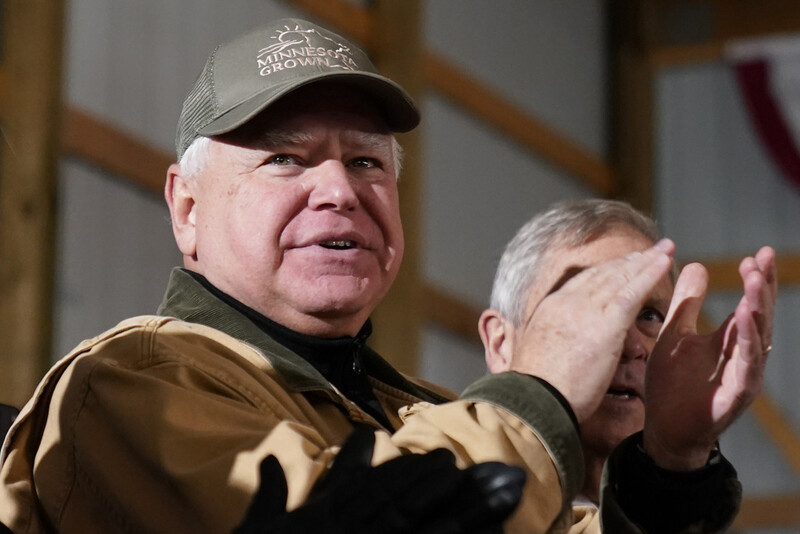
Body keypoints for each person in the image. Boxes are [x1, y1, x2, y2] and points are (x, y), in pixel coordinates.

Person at [0, 18, 774, 534]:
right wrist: (537, 392)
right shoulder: (124, 388)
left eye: (367, 161)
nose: (340, 189)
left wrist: (672, 462)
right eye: (284, 157)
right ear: (187, 208)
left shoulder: (422, 418)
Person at [479, 199, 776, 509]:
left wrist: (678, 465)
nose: (631, 346)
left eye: (649, 316)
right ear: (500, 343)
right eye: (592, 307)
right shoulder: (429, 457)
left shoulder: (698, 518)